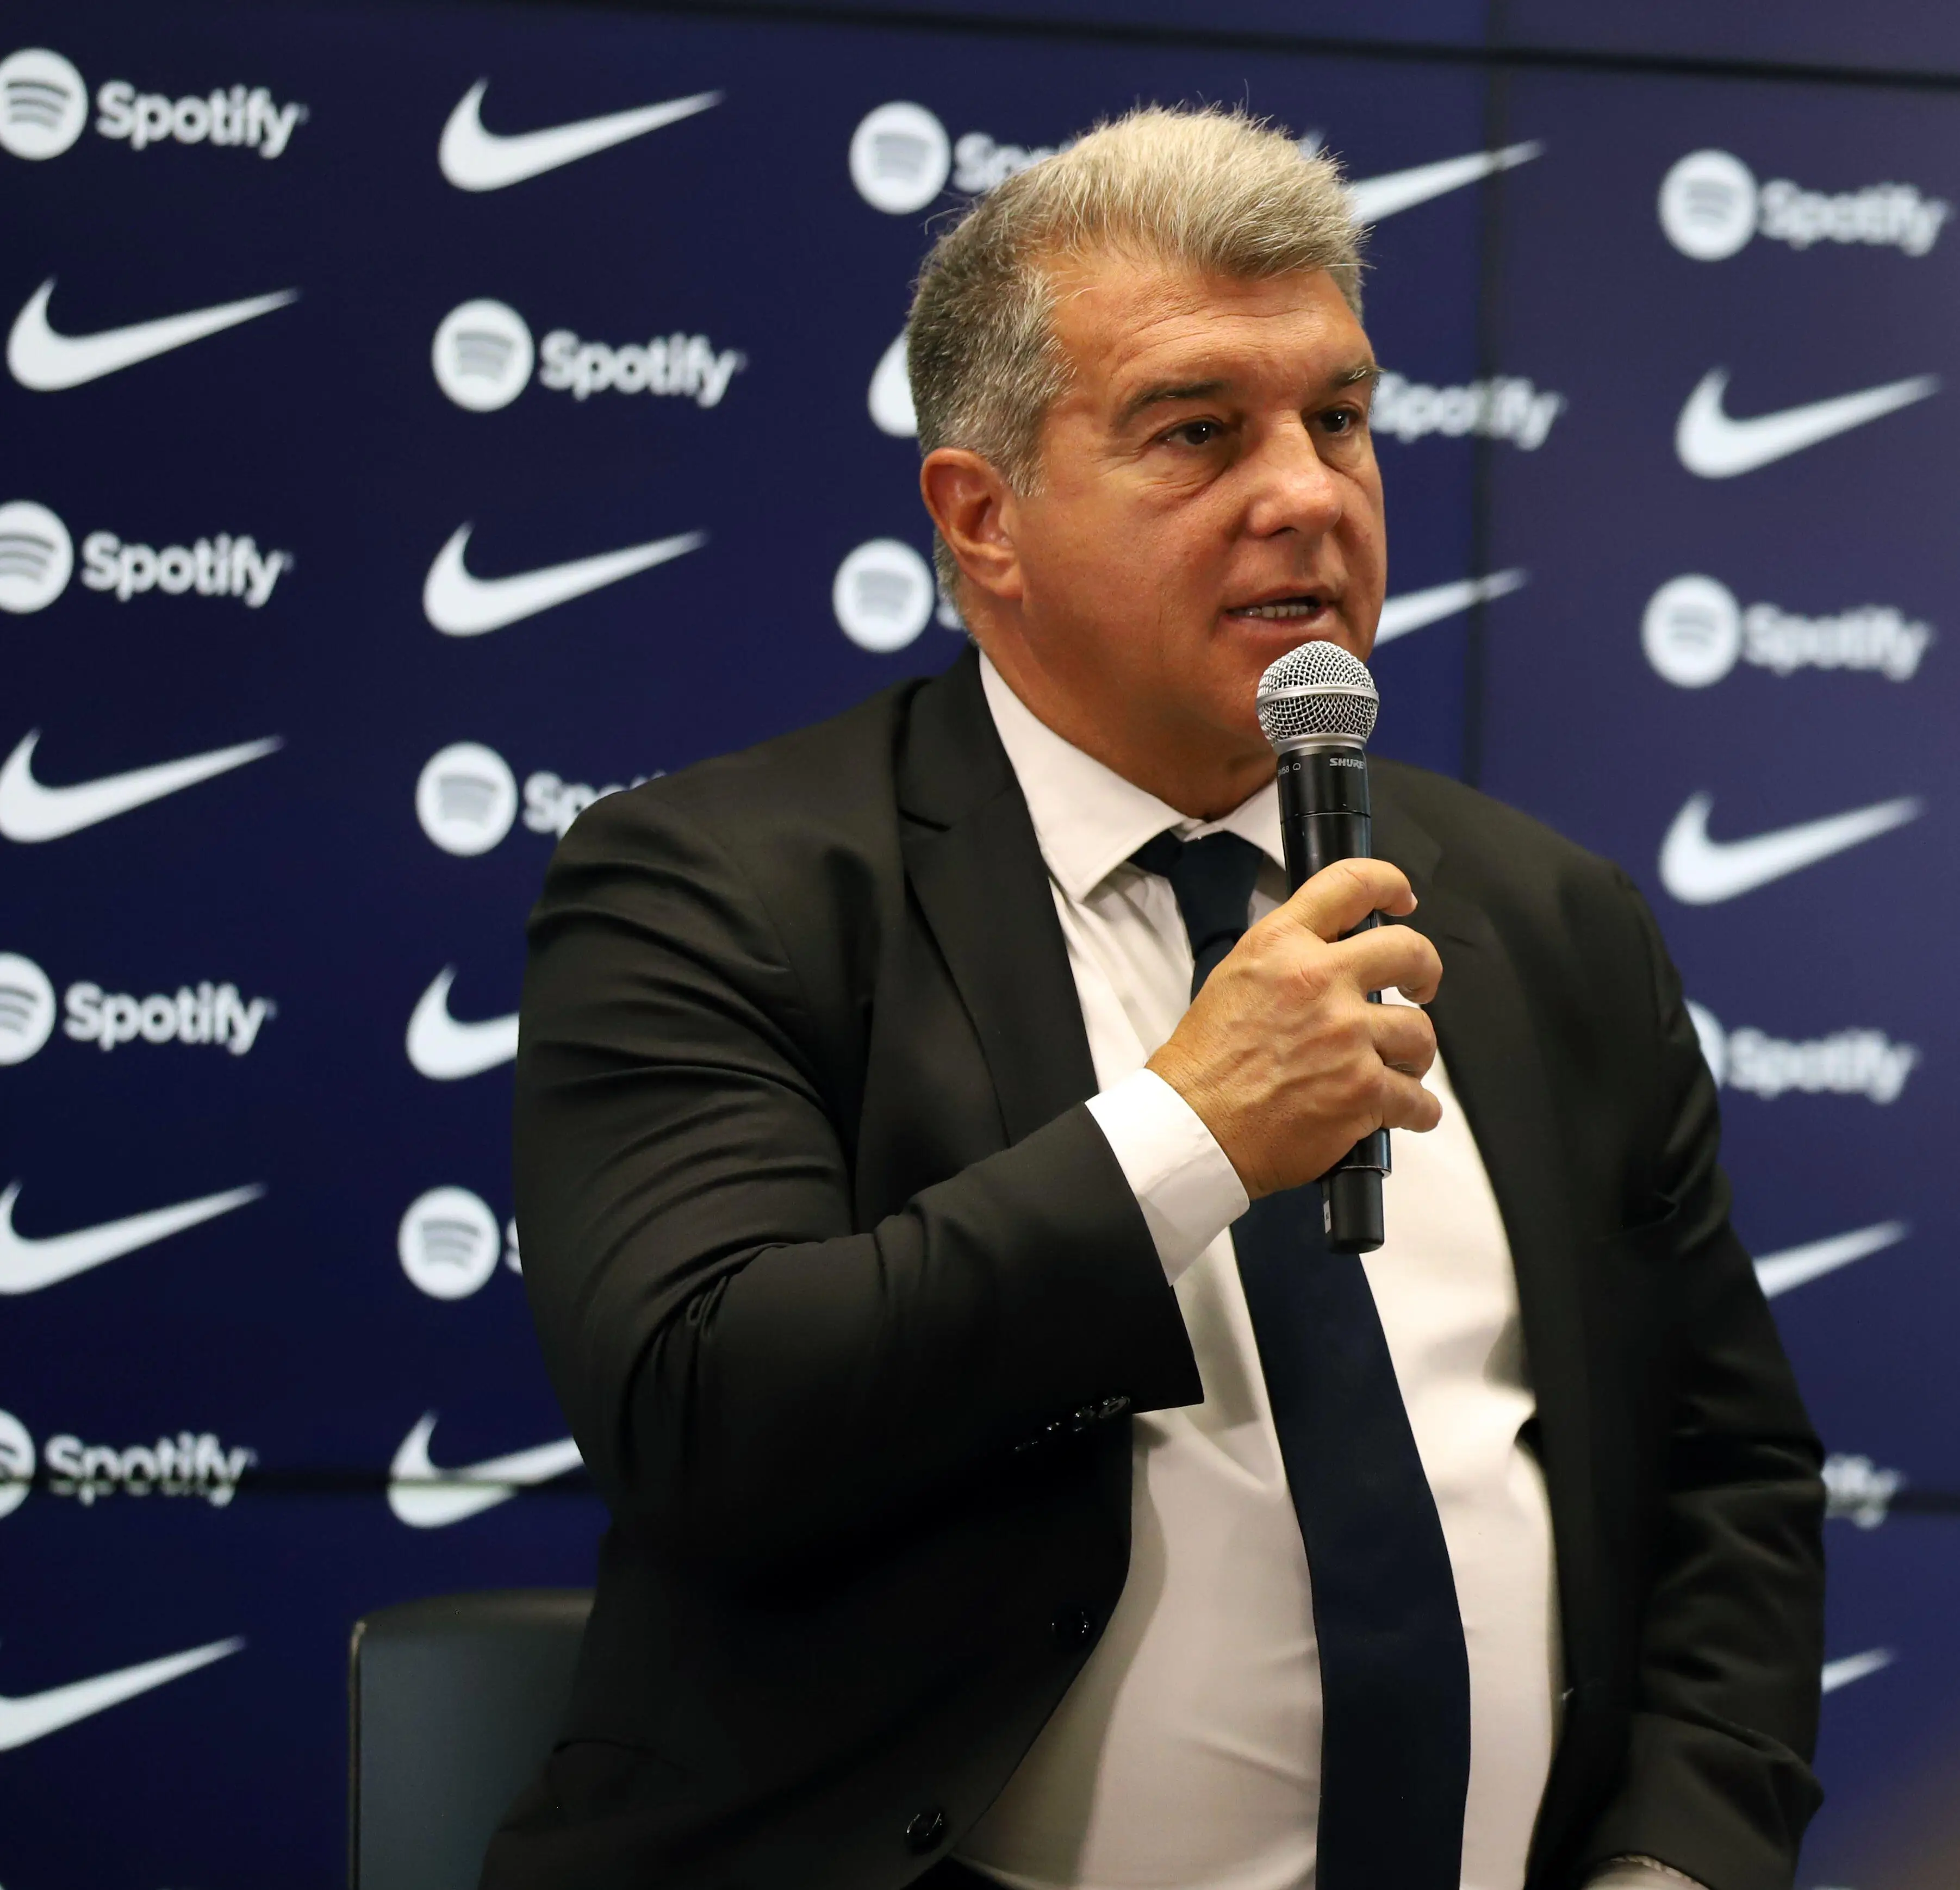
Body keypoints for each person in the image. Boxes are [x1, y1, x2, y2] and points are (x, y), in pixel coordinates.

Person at [487, 108, 1824, 1890]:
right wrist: (1188, 1134)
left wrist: (1676, 1865)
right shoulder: (720, 885)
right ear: (983, 520)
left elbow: (1723, 1472)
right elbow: (705, 1413)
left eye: (1336, 417)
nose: (1309, 494)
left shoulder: (1545, 915)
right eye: (1197, 431)